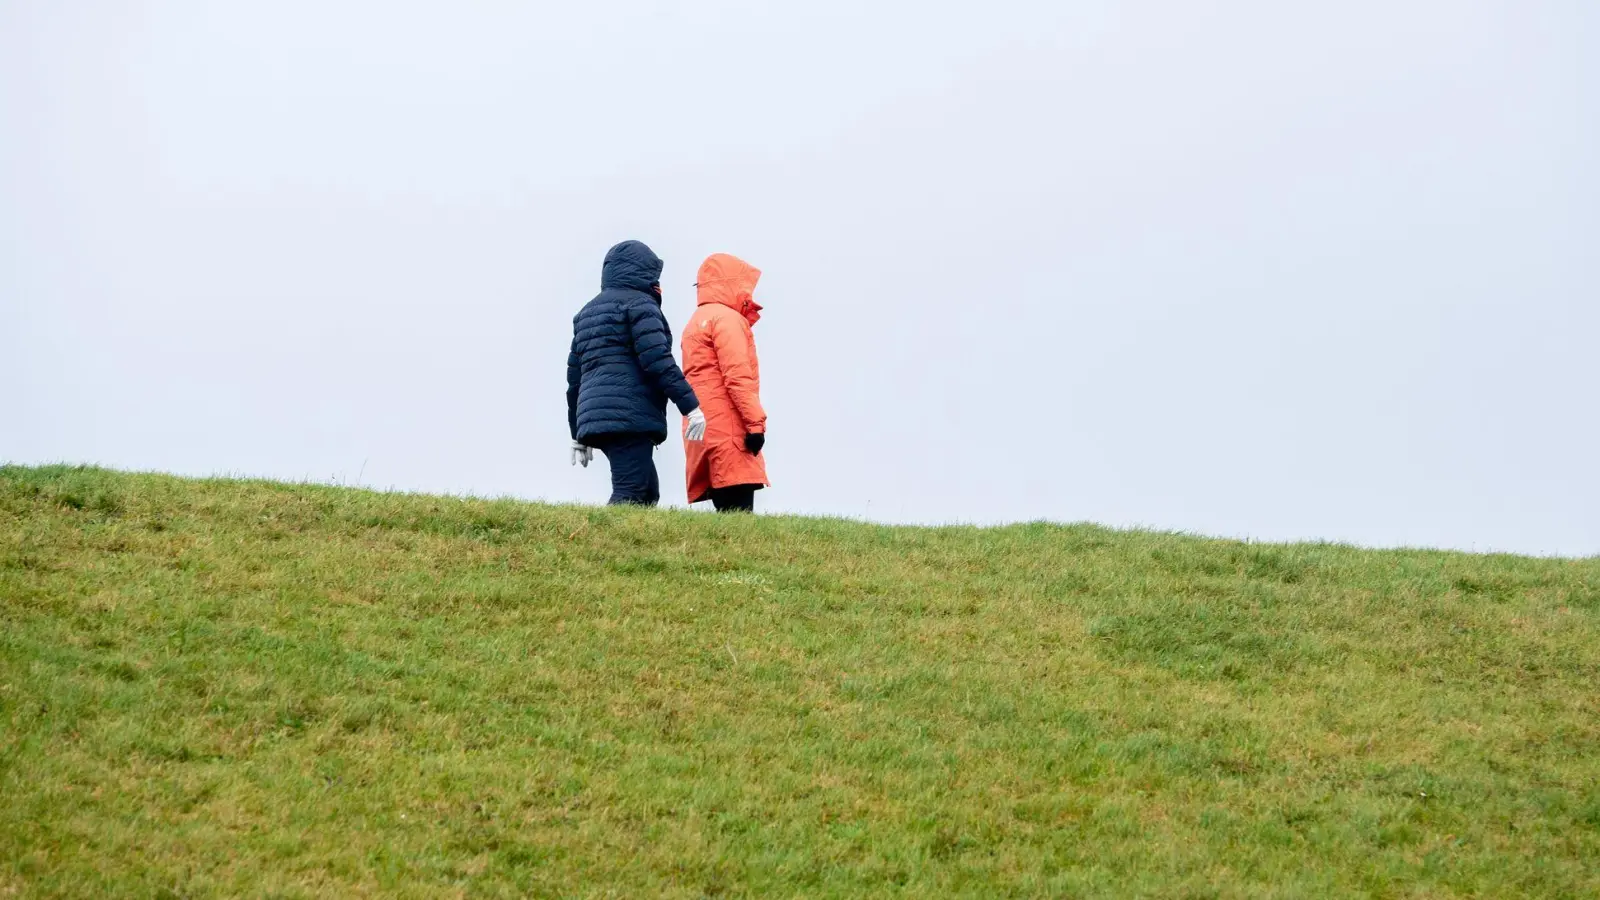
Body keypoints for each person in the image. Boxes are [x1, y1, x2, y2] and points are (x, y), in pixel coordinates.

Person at [567, 240, 706, 506]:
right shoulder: (641, 305)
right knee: (631, 490)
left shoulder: (586, 313)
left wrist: (576, 431)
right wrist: (691, 407)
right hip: (627, 415)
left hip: (598, 415)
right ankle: (601, 543)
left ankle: (635, 545)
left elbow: (575, 379)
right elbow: (657, 361)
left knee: (647, 491)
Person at [680, 253, 769, 513]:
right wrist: (755, 425)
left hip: (704, 427)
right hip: (729, 428)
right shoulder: (728, 320)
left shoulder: (695, 321)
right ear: (734, 284)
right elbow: (737, 377)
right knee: (740, 516)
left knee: (725, 510)